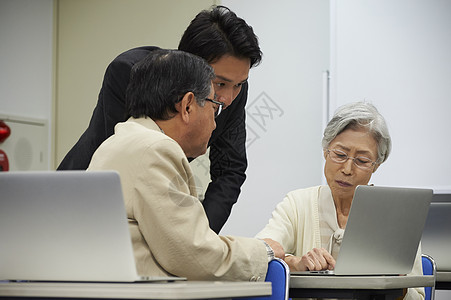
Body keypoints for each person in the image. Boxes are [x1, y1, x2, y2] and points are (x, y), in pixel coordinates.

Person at [57, 6, 260, 234]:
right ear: (190, 64)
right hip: (78, 192)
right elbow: (121, 163)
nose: (228, 98)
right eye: (220, 83)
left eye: (239, 84)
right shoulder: (130, 72)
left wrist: (202, 236)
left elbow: (230, 170)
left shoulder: (233, 92)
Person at [87, 49, 284, 280]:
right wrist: (266, 250)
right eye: (213, 107)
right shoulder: (155, 150)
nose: (214, 124)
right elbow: (195, 255)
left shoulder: (115, 142)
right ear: (188, 105)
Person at [256, 102, 425, 299]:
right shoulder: (298, 203)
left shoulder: (395, 214)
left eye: (362, 161)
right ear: (325, 151)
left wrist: (396, 284)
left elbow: (418, 295)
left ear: (376, 165)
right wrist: (295, 263)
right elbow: (260, 252)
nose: (347, 169)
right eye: (340, 155)